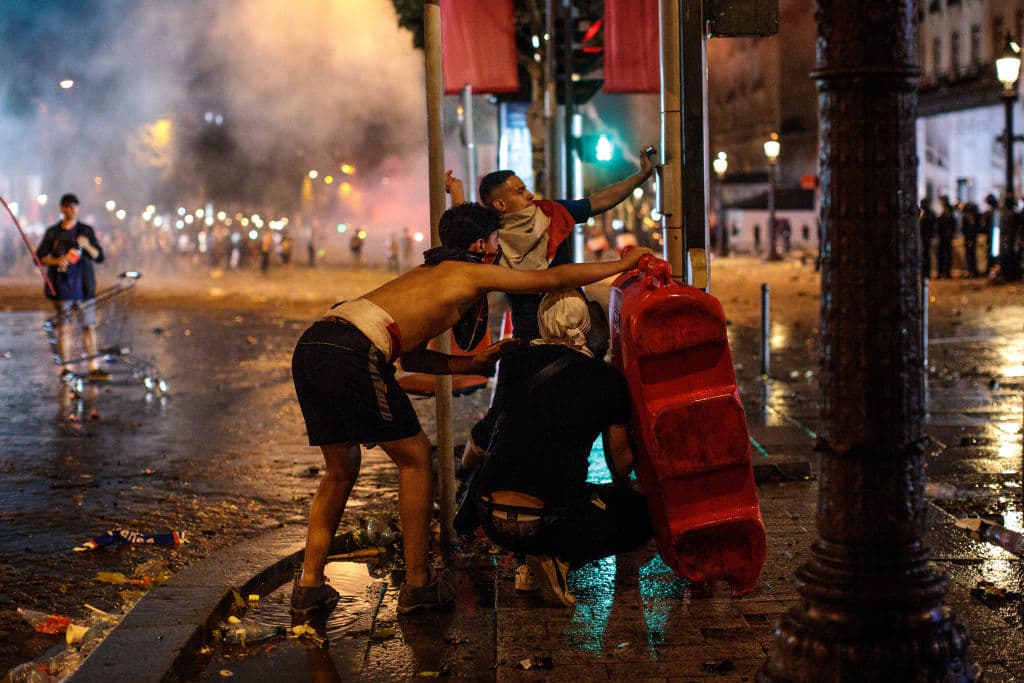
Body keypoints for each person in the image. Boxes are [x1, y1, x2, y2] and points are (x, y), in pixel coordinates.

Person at [289, 202, 654, 619]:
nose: (498, 252)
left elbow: (411, 359)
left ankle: (310, 586)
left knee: (340, 471)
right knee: (415, 462)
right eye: (496, 243)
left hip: (316, 342)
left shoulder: (428, 273)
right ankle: (418, 583)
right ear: (482, 245)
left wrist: (471, 365)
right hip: (355, 351)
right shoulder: (470, 272)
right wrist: (623, 262)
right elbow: (552, 278)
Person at [457, 289, 652, 607]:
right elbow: (622, 464)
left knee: (524, 467)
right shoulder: (605, 379)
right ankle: (559, 558)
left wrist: (462, 475)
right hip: (549, 520)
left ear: (542, 322)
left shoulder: (514, 363)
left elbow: (479, 444)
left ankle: (529, 564)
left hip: (491, 516)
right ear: (587, 327)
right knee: (640, 514)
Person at [475, 147, 655, 340]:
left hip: (574, 330)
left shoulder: (551, 212)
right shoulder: (490, 242)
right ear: (500, 204)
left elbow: (598, 202)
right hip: (530, 337)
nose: (530, 195)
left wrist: (641, 176)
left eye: (526, 188)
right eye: (520, 192)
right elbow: (559, 278)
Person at [35, 193, 109, 381]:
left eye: (74, 205)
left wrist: (87, 246)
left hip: (84, 288)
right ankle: (66, 369)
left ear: (78, 208)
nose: (71, 209)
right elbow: (39, 258)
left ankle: (93, 367)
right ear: (62, 208)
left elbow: (99, 256)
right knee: (64, 329)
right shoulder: (53, 233)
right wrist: (57, 260)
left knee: (89, 327)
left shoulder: (86, 231)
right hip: (62, 288)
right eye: (68, 206)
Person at [935, 195, 956, 279]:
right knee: (941, 255)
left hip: (946, 236)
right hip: (943, 236)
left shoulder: (948, 211)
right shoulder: (945, 211)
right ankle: (942, 272)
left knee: (946, 255)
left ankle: (946, 272)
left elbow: (950, 223)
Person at [959, 201, 980, 278]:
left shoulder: (973, 217)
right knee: (969, 255)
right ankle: (971, 270)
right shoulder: (966, 218)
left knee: (971, 255)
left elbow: (973, 229)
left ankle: (973, 271)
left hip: (971, 238)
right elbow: (964, 229)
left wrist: (970, 239)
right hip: (968, 238)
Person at [919, 199, 936, 280]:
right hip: (923, 237)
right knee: (924, 256)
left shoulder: (929, 214)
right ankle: (924, 272)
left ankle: (926, 273)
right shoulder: (923, 213)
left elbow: (932, 226)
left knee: (926, 256)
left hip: (926, 237)